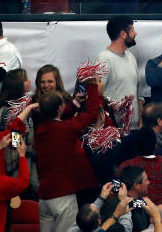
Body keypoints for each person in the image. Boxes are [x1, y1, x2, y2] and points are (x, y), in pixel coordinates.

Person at [34, 77, 102, 231]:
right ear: (60, 108)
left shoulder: (40, 130)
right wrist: (91, 85)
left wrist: (75, 103)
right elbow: (92, 114)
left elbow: (57, 116)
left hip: (44, 198)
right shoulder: (66, 129)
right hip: (62, 197)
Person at [96, 16, 139, 115]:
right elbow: (98, 94)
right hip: (115, 126)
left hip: (135, 125)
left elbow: (138, 91)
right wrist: (115, 105)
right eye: (132, 30)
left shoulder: (131, 56)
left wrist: (140, 119)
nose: (135, 33)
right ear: (123, 34)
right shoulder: (103, 59)